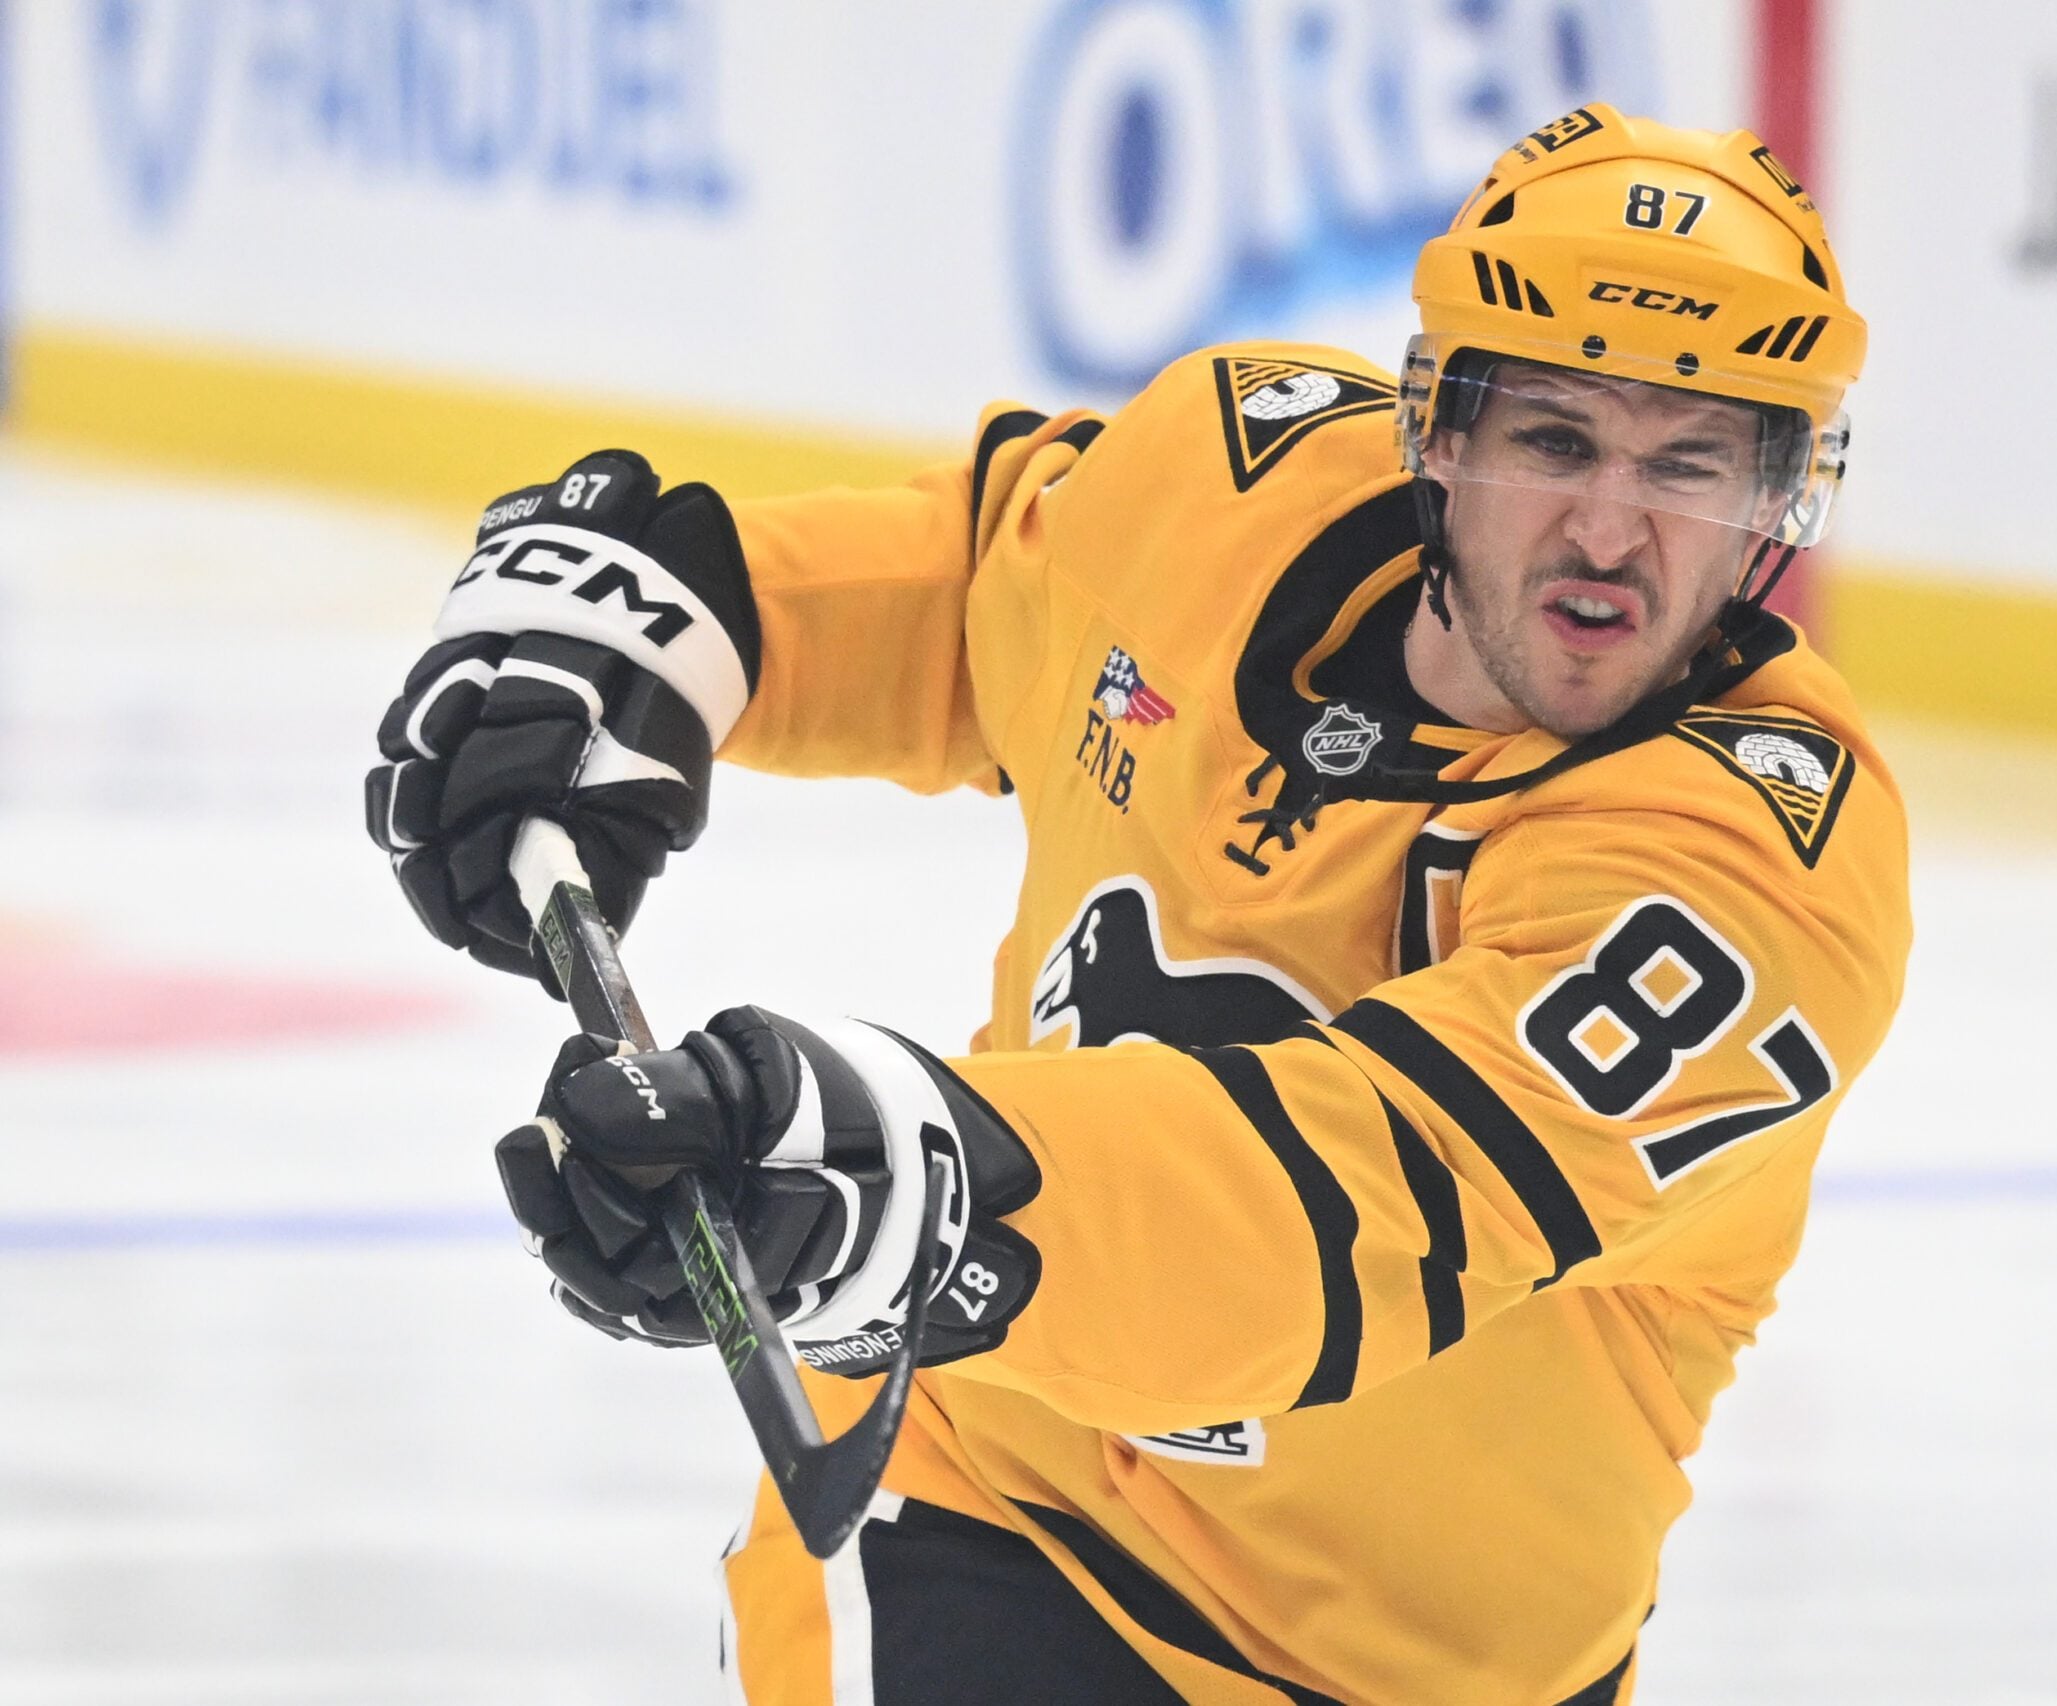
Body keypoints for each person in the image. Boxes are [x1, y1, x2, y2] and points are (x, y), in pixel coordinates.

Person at [365, 105, 1910, 1706]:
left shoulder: (1756, 865)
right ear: (1438, 429)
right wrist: (684, 624)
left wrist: (924, 1180)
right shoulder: (1230, 482)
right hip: (979, 1502)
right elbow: (983, 594)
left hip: (1419, 1671)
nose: (1611, 530)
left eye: (1691, 466)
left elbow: (1356, 1197)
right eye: (1555, 441)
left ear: (1779, 499)